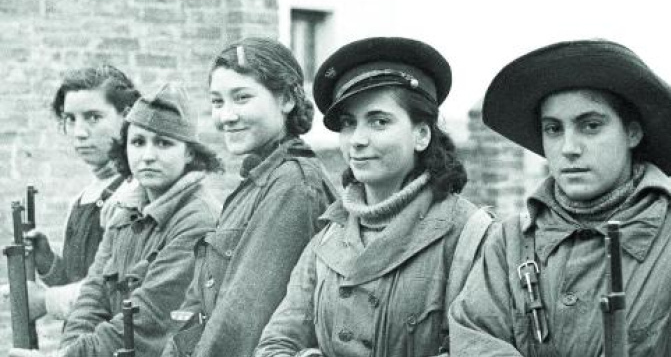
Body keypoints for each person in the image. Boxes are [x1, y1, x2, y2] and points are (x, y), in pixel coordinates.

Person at [254, 36, 494, 357]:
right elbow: (276, 343)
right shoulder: (328, 239)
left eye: (378, 122)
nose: (357, 140)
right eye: (348, 124)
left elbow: (483, 347)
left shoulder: (471, 236)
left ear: (421, 135)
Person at [448, 40, 671, 356]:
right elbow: (474, 338)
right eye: (553, 129)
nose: (569, 147)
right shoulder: (509, 242)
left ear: (632, 133)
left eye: (590, 126)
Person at [9, 83, 223, 357]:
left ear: (190, 152)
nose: (147, 156)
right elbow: (92, 297)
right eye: (138, 142)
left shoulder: (198, 221)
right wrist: (68, 349)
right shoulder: (125, 214)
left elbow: (148, 321)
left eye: (163, 143)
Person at [160, 37, 337, 357]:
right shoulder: (257, 183)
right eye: (217, 102)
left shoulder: (292, 186)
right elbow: (197, 308)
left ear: (285, 100)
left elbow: (241, 320)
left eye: (241, 98)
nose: (226, 116)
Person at [2, 65, 141, 321]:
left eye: (93, 117)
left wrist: (44, 301)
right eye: (71, 119)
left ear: (127, 116)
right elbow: (80, 280)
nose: (79, 132)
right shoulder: (83, 198)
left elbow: (117, 292)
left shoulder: (134, 194)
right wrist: (48, 263)